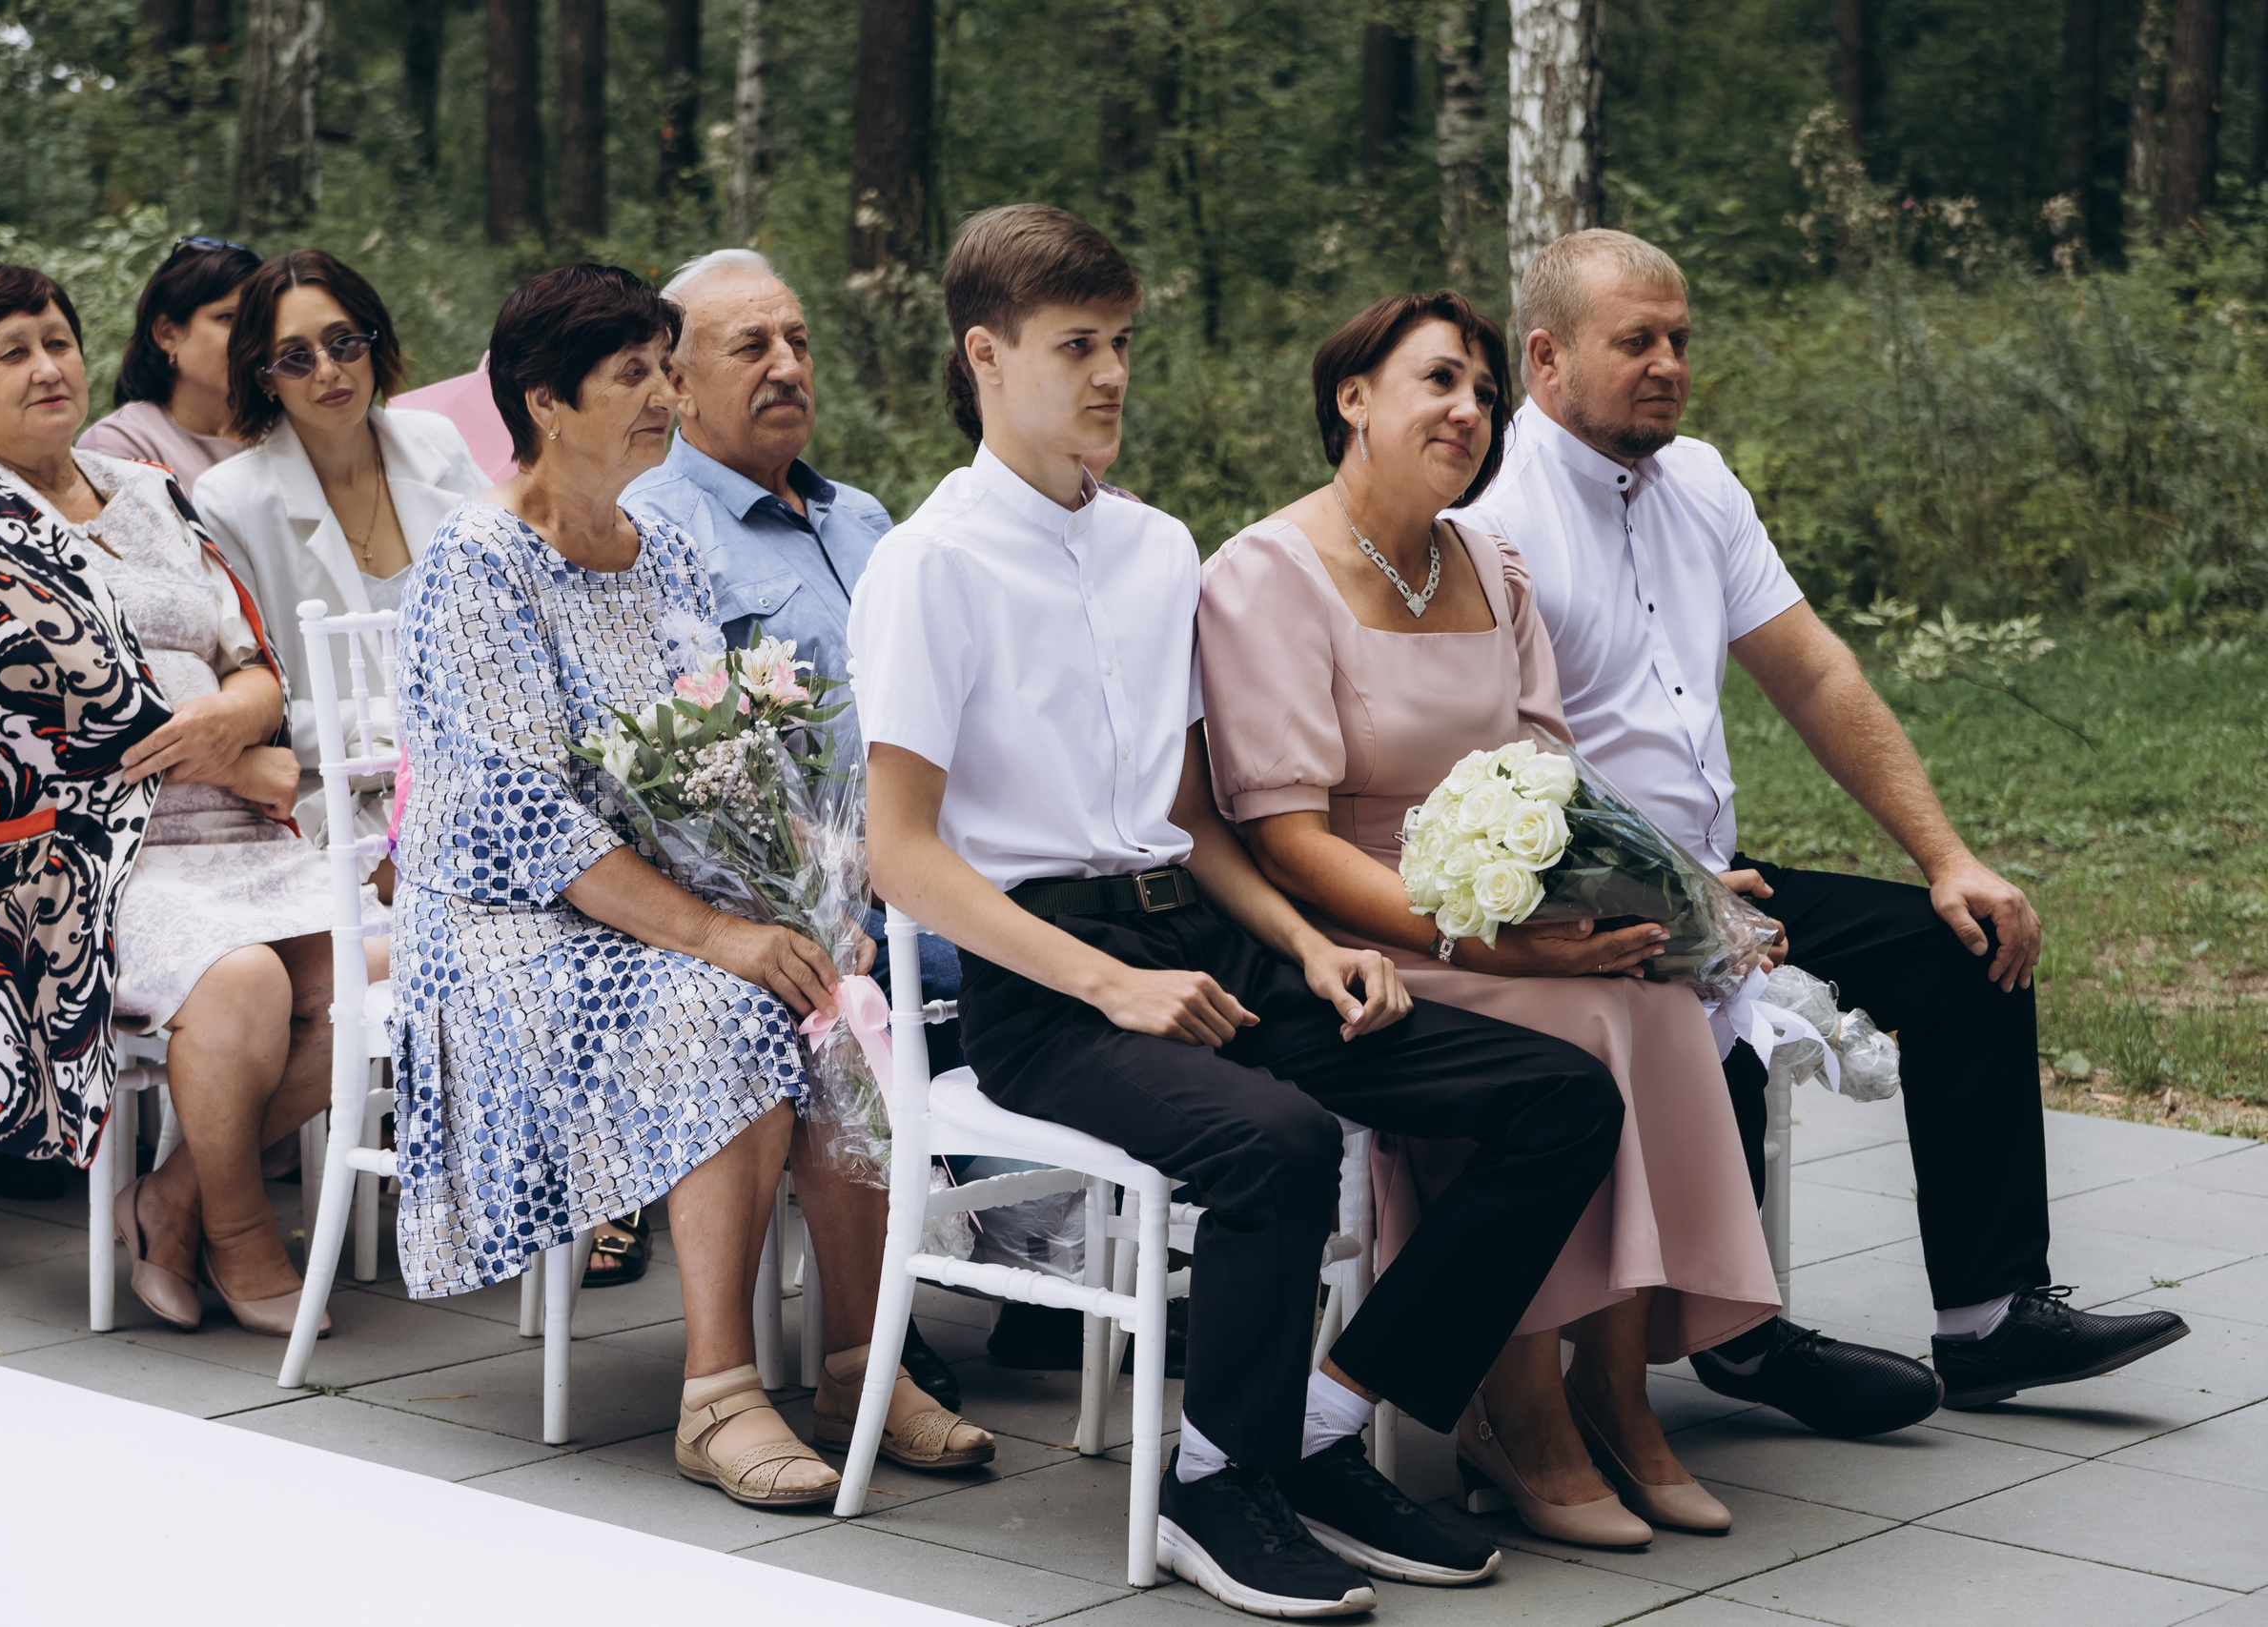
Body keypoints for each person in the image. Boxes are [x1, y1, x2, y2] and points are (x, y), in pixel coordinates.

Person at [854, 203, 1626, 1617]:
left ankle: (1327, 1434)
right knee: (1273, 1139)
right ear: (985, 353)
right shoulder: (930, 562)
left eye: (1124, 342)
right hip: (1047, 986)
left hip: (1203, 936)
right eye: (1075, 345)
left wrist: (1310, 942)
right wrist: (1106, 983)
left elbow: (1197, 820)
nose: (1110, 374)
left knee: (1557, 1095)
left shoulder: (1158, 547)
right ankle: (1215, 1482)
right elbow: (900, 855)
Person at [1470, 229, 2190, 1430]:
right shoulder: (1493, 517)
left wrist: (1947, 858)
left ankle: (1991, 1316)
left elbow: (1809, 672)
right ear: (1545, 359)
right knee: (1713, 1022)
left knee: (1963, 947)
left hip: (1725, 887)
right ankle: (1740, 1343)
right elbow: (1493, 762)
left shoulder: (1699, 481)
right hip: (1592, 906)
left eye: (1680, 340)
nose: (1667, 364)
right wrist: (1664, 892)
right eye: (1634, 341)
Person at [388, 264, 991, 1512]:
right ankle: (718, 1390)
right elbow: (522, 819)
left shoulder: (661, 539)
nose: (665, 394)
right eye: (635, 374)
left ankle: (854, 1363)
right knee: (730, 1005)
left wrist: (810, 904)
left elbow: (720, 740)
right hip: (506, 931)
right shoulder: (477, 558)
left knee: (828, 991)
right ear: (545, 403)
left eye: (668, 366)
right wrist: (724, 934)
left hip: (664, 892)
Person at [1196, 291, 1779, 1546]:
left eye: (1481, 392)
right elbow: (1284, 838)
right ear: (1352, 397)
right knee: (1581, 1025)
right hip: (1362, 927)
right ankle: (1515, 1405)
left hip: (1506, 910)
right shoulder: (1265, 573)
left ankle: (1616, 1391)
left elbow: (1556, 783)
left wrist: (1665, 885)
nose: (1469, 410)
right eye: (1437, 381)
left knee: (1656, 995)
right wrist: (1484, 938)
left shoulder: (1489, 564)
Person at [0, 263, 366, 1337]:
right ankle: (242, 1235)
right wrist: (244, 759)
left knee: (407, 969)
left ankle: (175, 1194)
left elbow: (256, 658)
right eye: (13, 352)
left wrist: (245, 719)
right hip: (62, 856)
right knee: (238, 983)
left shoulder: (144, 487)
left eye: (57, 341)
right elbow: (58, 697)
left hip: (235, 839)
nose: (48, 366)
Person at [620, 245, 965, 1399]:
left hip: (923, 866)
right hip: (782, 895)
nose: (785, 366)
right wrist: (827, 890)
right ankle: (874, 1328)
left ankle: (1032, 1265)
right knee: (910, 983)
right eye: (750, 346)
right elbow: (671, 774)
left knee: (1097, 933)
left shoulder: (858, 515)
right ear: (671, 382)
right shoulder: (653, 532)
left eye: (798, 341)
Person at [193, 248, 485, 842]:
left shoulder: (439, 444)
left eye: (344, 342)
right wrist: (405, 731)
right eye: (295, 358)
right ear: (263, 379)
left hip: (488, 775)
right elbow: (260, 708)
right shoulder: (230, 500)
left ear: (374, 343)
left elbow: (511, 612)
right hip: (342, 801)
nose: (328, 370)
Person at [79, 235, 262, 490]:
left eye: (260, 321)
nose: (252, 336)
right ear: (167, 334)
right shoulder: (119, 445)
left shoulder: (285, 430)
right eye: (228, 317)